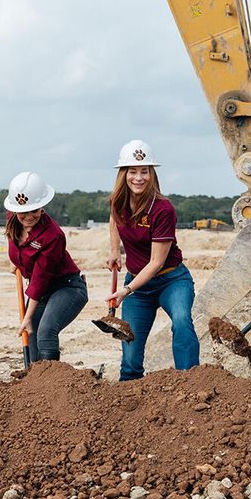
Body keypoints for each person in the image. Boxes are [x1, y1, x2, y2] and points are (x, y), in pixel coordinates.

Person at [104, 140, 199, 381]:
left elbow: (156, 262)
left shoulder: (163, 209)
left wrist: (126, 290)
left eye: (144, 171)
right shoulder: (117, 200)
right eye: (133, 171)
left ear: (152, 174)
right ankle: (129, 389)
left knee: (181, 321)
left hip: (171, 280)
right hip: (138, 285)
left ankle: (189, 380)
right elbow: (114, 219)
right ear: (123, 174)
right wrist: (115, 250)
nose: (139, 178)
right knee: (131, 353)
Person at [4, 171, 88, 363]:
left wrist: (27, 317)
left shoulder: (53, 236)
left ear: (42, 206)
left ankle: (52, 380)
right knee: (34, 353)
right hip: (41, 292)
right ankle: (35, 379)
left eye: (34, 210)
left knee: (46, 331)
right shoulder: (13, 216)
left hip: (67, 287)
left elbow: (40, 280)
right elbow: (12, 237)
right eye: (23, 212)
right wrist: (15, 259)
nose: (29, 216)